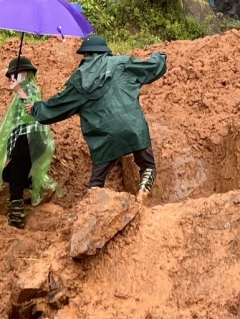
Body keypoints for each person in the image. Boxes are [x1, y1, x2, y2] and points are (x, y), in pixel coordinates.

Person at [31, 34, 165, 198]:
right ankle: (143, 190)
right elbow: (153, 67)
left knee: (97, 180)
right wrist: (160, 56)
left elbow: (57, 105)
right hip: (134, 128)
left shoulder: (78, 78)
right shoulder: (122, 62)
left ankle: (94, 202)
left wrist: (36, 108)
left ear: (86, 54)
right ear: (104, 51)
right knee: (148, 165)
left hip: (105, 137)